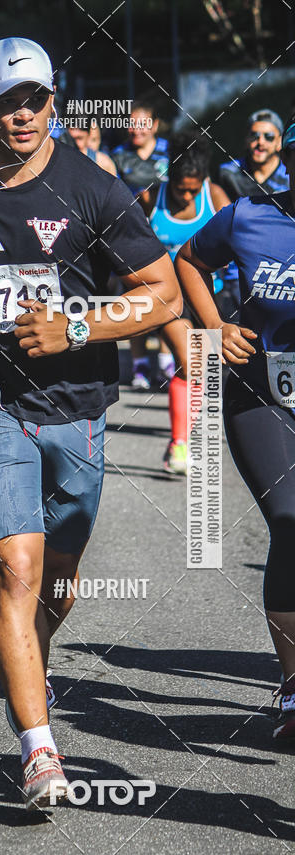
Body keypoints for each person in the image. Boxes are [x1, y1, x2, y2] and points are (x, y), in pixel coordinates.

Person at [0, 37, 181, 808]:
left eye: (37, 99)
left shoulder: (95, 190)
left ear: (55, 101)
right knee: (15, 566)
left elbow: (164, 294)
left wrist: (75, 326)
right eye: (8, 102)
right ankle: (39, 750)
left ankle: (31, 661)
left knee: (57, 582)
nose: (23, 114)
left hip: (75, 409)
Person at [175, 114, 295, 743]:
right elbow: (188, 260)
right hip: (262, 395)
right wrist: (215, 327)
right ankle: (294, 684)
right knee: (291, 522)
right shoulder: (248, 216)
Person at [138, 130, 230, 474]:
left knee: (197, 369)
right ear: (170, 179)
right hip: (168, 299)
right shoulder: (150, 197)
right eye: (181, 189)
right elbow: (123, 241)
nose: (187, 195)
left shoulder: (215, 196)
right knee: (189, 362)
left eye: (193, 189)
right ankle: (179, 445)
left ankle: (180, 437)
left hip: (207, 295)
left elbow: (237, 242)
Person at [112, 101, 170, 391]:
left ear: (155, 125)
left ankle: (166, 363)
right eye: (131, 123)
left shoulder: (170, 152)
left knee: (166, 299)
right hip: (130, 236)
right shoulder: (118, 155)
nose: (136, 129)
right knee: (135, 299)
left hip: (165, 234)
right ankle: (139, 366)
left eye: (143, 123)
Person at [218, 109, 289, 324]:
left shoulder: (289, 175)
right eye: (254, 135)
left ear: (280, 142)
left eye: (269, 137)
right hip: (235, 271)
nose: (260, 142)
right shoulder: (228, 173)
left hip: (279, 270)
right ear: (246, 138)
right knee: (224, 335)